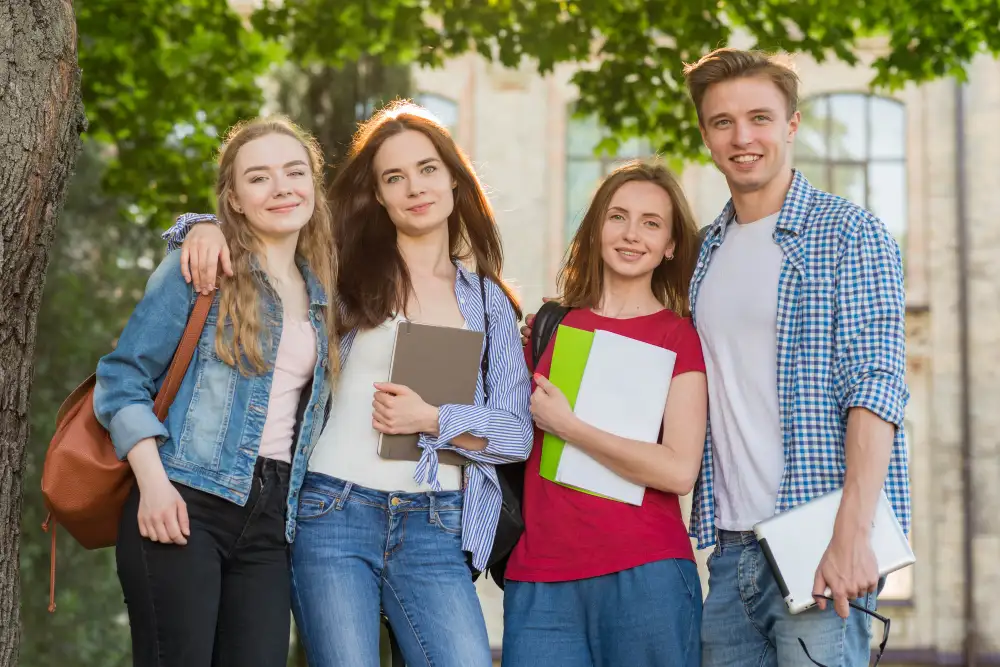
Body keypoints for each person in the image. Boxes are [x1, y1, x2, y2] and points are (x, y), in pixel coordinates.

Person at [521, 48, 910, 667]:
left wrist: (852, 535)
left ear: (792, 125)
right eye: (722, 122)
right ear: (705, 135)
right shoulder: (701, 254)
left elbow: (876, 388)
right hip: (728, 553)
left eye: (759, 117)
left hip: (817, 534)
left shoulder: (849, 233)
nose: (742, 137)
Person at [161, 101, 533, 667]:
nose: (415, 187)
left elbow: (517, 435)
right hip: (332, 512)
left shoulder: (487, 301)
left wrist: (434, 420)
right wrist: (202, 226)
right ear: (378, 195)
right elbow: (260, 240)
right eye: (394, 177)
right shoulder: (337, 274)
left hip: (438, 522)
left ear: (455, 181)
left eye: (428, 169)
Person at [94, 116, 338, 667]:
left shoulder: (326, 296)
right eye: (259, 178)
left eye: (294, 172)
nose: (281, 188)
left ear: (314, 187)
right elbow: (120, 379)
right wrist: (153, 485)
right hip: (183, 500)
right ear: (234, 196)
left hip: (273, 522)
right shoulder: (200, 270)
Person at [501, 160, 708, 667]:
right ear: (596, 228)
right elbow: (505, 435)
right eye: (618, 217)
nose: (632, 234)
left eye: (651, 223)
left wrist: (571, 428)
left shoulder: (680, 337)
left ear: (671, 246)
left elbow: (679, 470)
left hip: (646, 574)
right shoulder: (549, 326)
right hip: (541, 578)